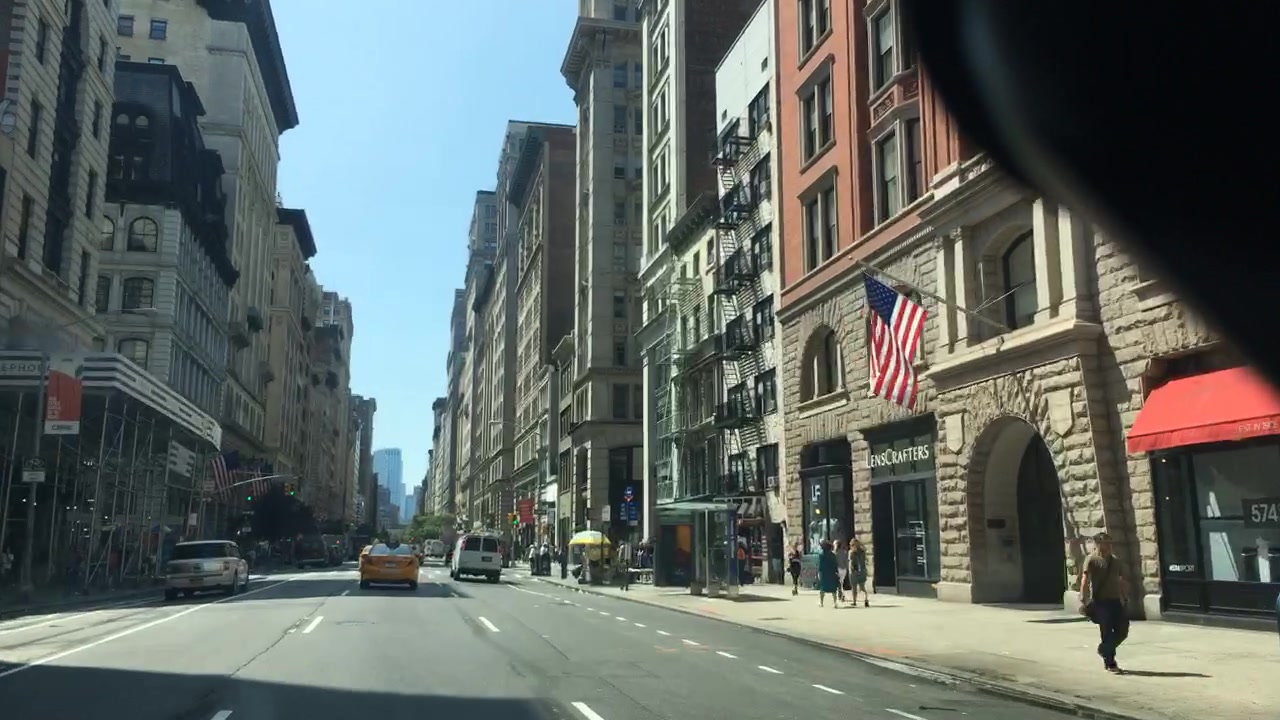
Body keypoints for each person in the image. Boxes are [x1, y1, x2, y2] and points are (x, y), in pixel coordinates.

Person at [1078, 532, 1130, 673]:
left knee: (1123, 630)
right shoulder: (1092, 559)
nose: (1108, 545)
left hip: (1116, 600)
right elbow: (1085, 578)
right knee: (1106, 631)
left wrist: (1125, 597)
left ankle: (1104, 649)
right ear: (1097, 544)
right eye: (1105, 542)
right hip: (1101, 601)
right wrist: (1083, 596)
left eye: (1109, 542)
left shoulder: (1116, 561)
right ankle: (1110, 663)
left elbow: (1121, 580)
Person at [817, 539, 840, 608]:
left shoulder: (821, 555)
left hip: (824, 573)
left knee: (822, 588)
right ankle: (835, 603)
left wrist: (819, 573)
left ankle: (821, 602)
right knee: (833, 589)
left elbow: (820, 565)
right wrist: (836, 572)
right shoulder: (833, 555)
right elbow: (835, 564)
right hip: (832, 573)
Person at [848, 538, 869, 607]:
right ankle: (866, 599)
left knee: (854, 587)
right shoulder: (862, 552)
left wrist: (851, 569)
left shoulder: (851, 552)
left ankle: (854, 601)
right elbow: (865, 560)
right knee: (862, 587)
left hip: (854, 572)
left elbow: (851, 562)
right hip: (862, 571)